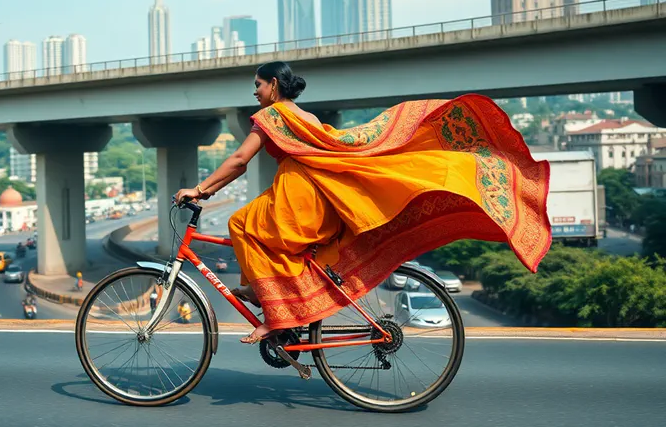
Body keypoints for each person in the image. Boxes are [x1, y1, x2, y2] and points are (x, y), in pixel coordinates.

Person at [175, 61, 551, 344]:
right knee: (260, 232)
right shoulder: (304, 115)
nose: (254, 92)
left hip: (300, 196)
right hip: (320, 198)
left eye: (257, 85)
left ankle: (275, 313)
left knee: (242, 224)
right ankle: (264, 294)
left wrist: (202, 189)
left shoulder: (272, 116)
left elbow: (239, 161)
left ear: (274, 85)